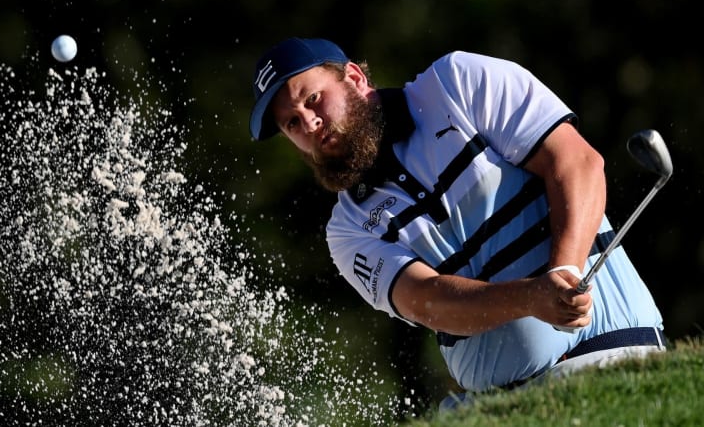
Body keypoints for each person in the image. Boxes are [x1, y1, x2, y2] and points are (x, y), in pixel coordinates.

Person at [248, 37, 667, 409]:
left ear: (354, 78)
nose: (310, 123)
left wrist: (564, 270)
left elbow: (576, 162)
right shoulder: (347, 230)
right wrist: (529, 298)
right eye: (292, 123)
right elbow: (428, 300)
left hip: (612, 355)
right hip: (502, 408)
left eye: (313, 99)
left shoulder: (456, 82)